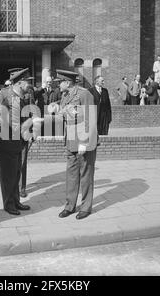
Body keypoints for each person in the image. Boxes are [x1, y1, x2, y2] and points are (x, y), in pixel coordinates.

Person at [54, 69, 97, 220]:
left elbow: (90, 118)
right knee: (71, 175)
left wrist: (84, 142)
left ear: (67, 82)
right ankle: (70, 206)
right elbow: (64, 114)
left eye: (60, 83)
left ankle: (86, 207)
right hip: (71, 140)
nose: (58, 85)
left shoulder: (85, 94)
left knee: (85, 175)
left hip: (84, 140)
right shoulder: (65, 95)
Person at [0, 68, 34, 216]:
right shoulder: (5, 94)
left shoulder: (23, 95)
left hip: (19, 140)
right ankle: (8, 204)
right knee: (7, 176)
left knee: (16, 173)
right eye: (27, 82)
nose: (29, 85)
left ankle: (16, 201)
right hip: (6, 141)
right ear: (20, 82)